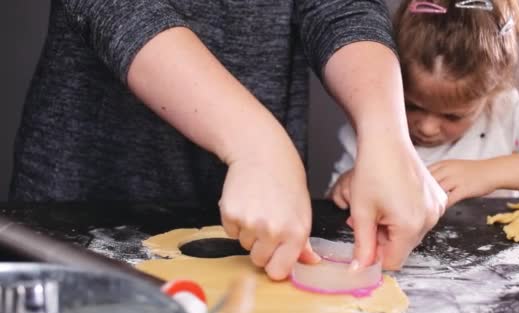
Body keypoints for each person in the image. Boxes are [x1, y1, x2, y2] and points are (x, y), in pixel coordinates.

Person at [10, 1, 446, 280]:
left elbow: (339, 6)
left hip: (255, 217)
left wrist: (387, 132)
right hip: (92, 188)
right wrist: (255, 144)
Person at [328, 0, 519, 209]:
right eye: (411, 106)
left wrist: (487, 174)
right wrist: (345, 189)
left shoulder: (505, 115)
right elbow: (333, 207)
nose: (427, 127)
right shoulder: (371, 118)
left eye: (452, 116)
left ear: (490, 90)